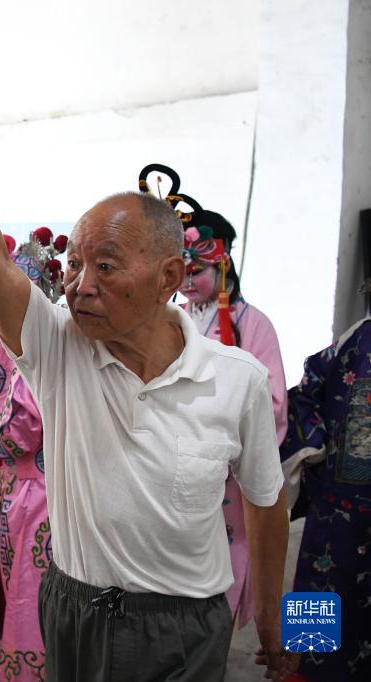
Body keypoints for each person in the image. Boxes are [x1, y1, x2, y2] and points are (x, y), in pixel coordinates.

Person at [0, 27, 294, 680]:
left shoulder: (236, 378)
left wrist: (273, 622)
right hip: (74, 611)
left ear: (167, 278)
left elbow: (265, 499)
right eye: (74, 264)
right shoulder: (60, 349)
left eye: (105, 265)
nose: (80, 285)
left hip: (183, 624)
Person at [140, 163, 289, 630]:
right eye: (181, 271)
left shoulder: (253, 324)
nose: (188, 281)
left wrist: (213, 429)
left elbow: (272, 402)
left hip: (223, 470)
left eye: (198, 270)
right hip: (170, 461)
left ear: (222, 265)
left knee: (221, 571)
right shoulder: (173, 318)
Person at [0, 230, 65, 681]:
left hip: (41, 496)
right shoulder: (47, 335)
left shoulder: (21, 339)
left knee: (32, 597)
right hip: (30, 488)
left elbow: (4, 427)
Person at [280, 315, 371, 681]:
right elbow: (308, 386)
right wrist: (312, 447)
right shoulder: (356, 338)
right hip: (337, 512)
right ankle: (299, 665)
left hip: (339, 505)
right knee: (313, 638)